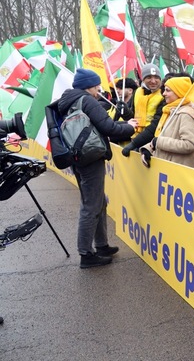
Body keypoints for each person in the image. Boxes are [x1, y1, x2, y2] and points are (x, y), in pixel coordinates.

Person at [56, 69, 138, 268]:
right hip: (91, 156)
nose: (98, 90)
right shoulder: (87, 101)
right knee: (91, 204)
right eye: (96, 87)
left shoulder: (68, 101)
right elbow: (109, 128)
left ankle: (101, 245)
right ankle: (86, 253)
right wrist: (130, 126)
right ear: (89, 86)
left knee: (98, 201)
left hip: (77, 155)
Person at [140, 77, 194, 168]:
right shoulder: (171, 111)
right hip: (167, 169)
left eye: (168, 90)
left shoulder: (186, 114)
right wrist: (148, 149)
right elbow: (163, 137)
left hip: (178, 172)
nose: (164, 93)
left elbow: (189, 144)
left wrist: (158, 142)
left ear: (178, 92)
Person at [121, 64, 164, 157]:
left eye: (156, 77)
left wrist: (134, 144)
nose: (153, 81)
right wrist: (125, 112)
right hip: (136, 138)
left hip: (150, 144)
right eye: (149, 77)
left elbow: (155, 125)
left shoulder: (163, 95)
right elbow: (134, 117)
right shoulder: (138, 92)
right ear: (143, 79)